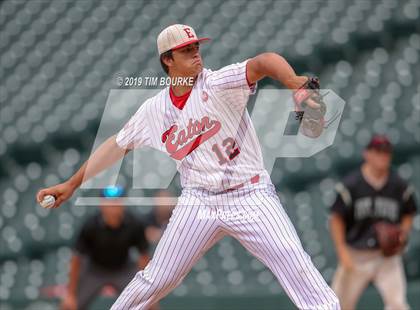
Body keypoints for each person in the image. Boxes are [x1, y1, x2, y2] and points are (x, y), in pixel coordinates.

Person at [37, 24, 340, 309]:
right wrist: (72, 183)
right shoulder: (154, 110)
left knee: (294, 261)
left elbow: (263, 62)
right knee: (156, 279)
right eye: (186, 50)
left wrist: (292, 82)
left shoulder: (218, 83)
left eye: (196, 46)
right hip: (198, 200)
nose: (196, 53)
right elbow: (116, 146)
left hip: (250, 194)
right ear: (167, 60)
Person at [329, 135, 417, 310]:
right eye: (378, 152)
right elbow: (336, 219)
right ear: (367, 154)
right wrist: (342, 252)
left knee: (398, 305)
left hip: (387, 258)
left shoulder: (399, 185)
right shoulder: (351, 185)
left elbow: (409, 212)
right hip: (356, 254)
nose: (382, 156)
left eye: (386, 153)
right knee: (338, 305)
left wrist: (403, 233)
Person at [60, 186, 153, 310]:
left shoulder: (134, 224)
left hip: (123, 269)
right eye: (109, 201)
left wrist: (148, 290)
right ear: (101, 204)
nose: (113, 205)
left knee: (149, 305)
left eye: (117, 200)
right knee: (69, 306)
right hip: (94, 270)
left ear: (123, 203)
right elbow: (76, 259)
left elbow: (144, 257)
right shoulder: (90, 225)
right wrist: (70, 294)